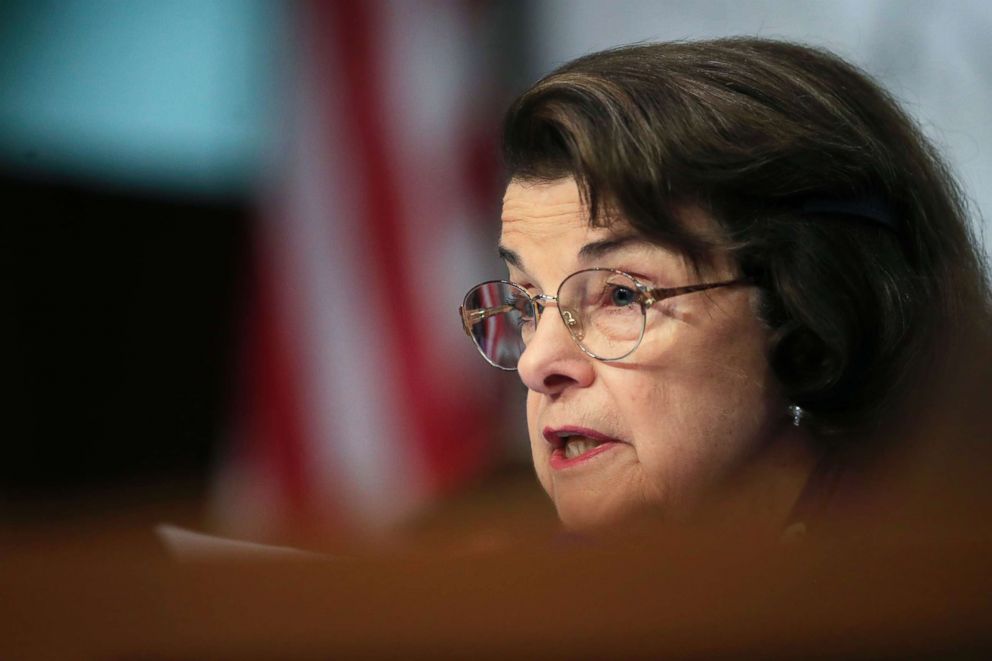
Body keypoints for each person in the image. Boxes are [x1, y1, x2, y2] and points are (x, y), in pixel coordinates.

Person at [459, 38, 991, 535]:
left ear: (810, 322)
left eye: (621, 294)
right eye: (528, 303)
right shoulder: (506, 610)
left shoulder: (937, 606)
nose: (536, 367)